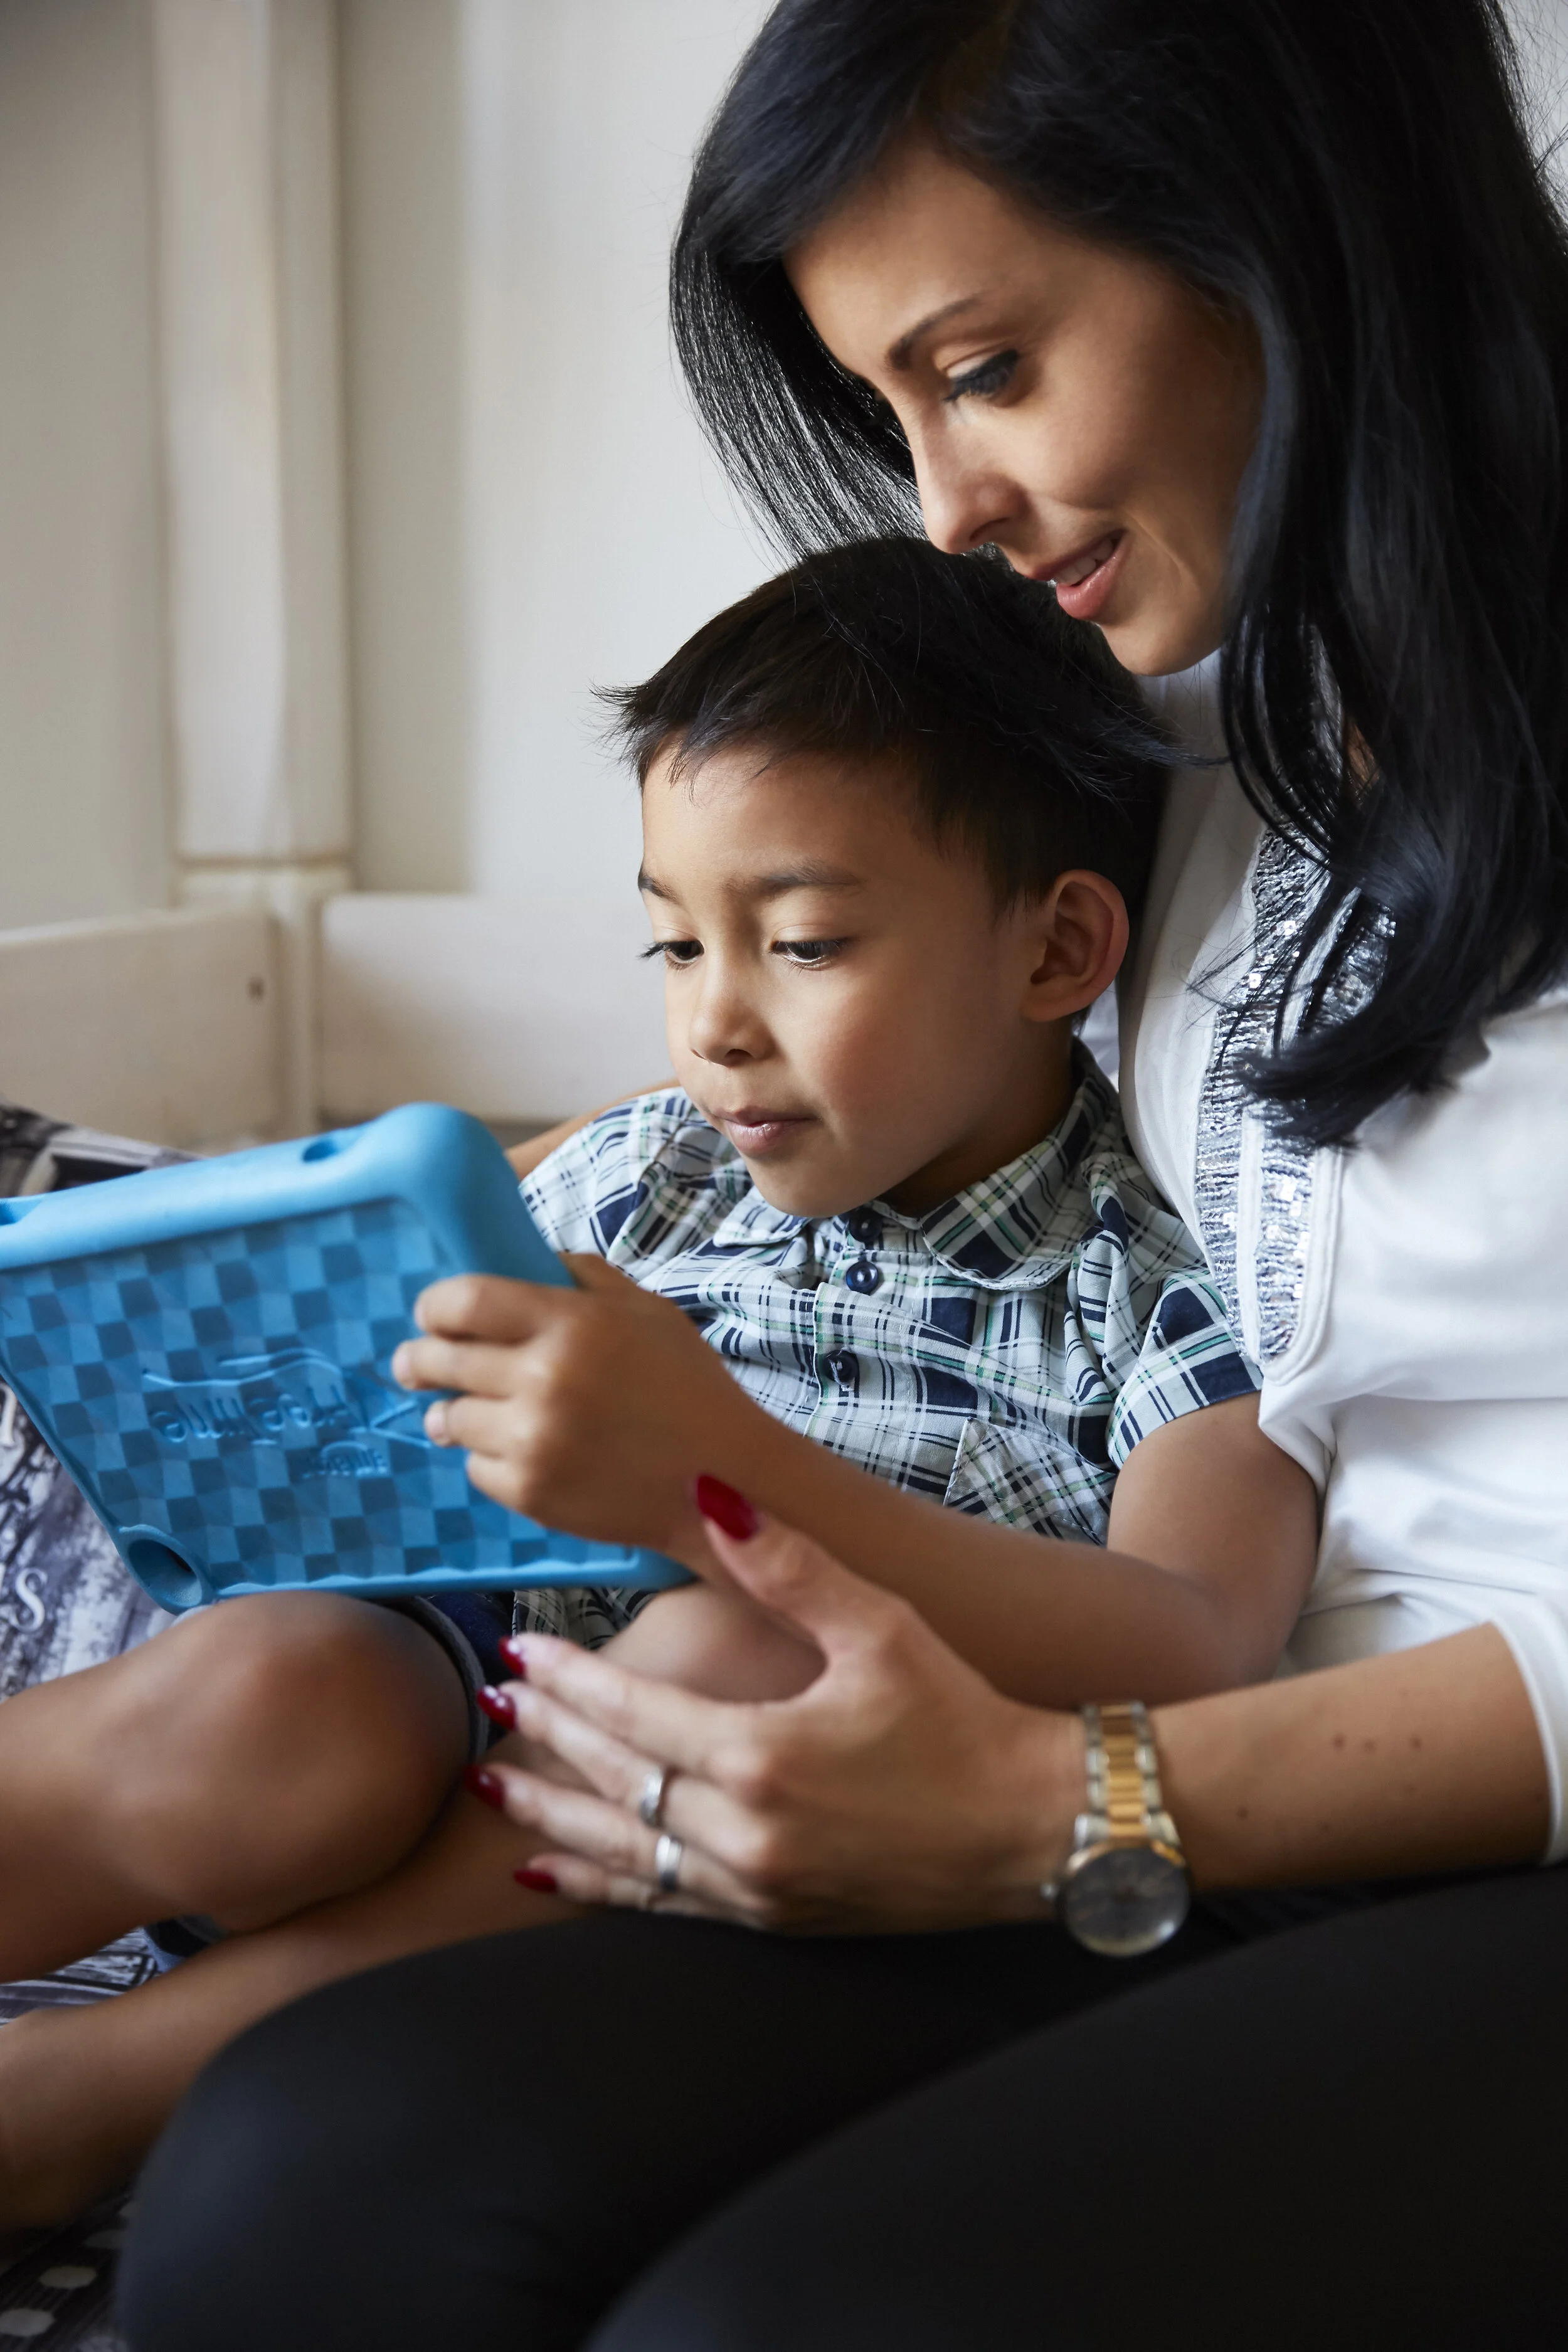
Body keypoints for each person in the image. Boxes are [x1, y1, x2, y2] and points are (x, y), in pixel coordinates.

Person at [119, 1, 1568, 2345]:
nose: (945, 508)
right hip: (1169, 1761)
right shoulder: (1187, 723)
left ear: (1289, 239)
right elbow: (814, 1035)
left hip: (1451, 1820)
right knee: (304, 2173)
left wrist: (1060, 1809)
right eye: (894, 405)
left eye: (983, 368)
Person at [0, 535, 1308, 2230]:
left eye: (806, 943)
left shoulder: (1148, 1286)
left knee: (733, 1649)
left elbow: (1202, 1634)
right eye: (674, 949)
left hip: (681, 1832)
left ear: (1056, 952)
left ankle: (99, 2093)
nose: (714, 1028)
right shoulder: (649, 1167)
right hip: (416, 1699)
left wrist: (730, 1471)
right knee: (273, 1693)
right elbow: (390, 1253)